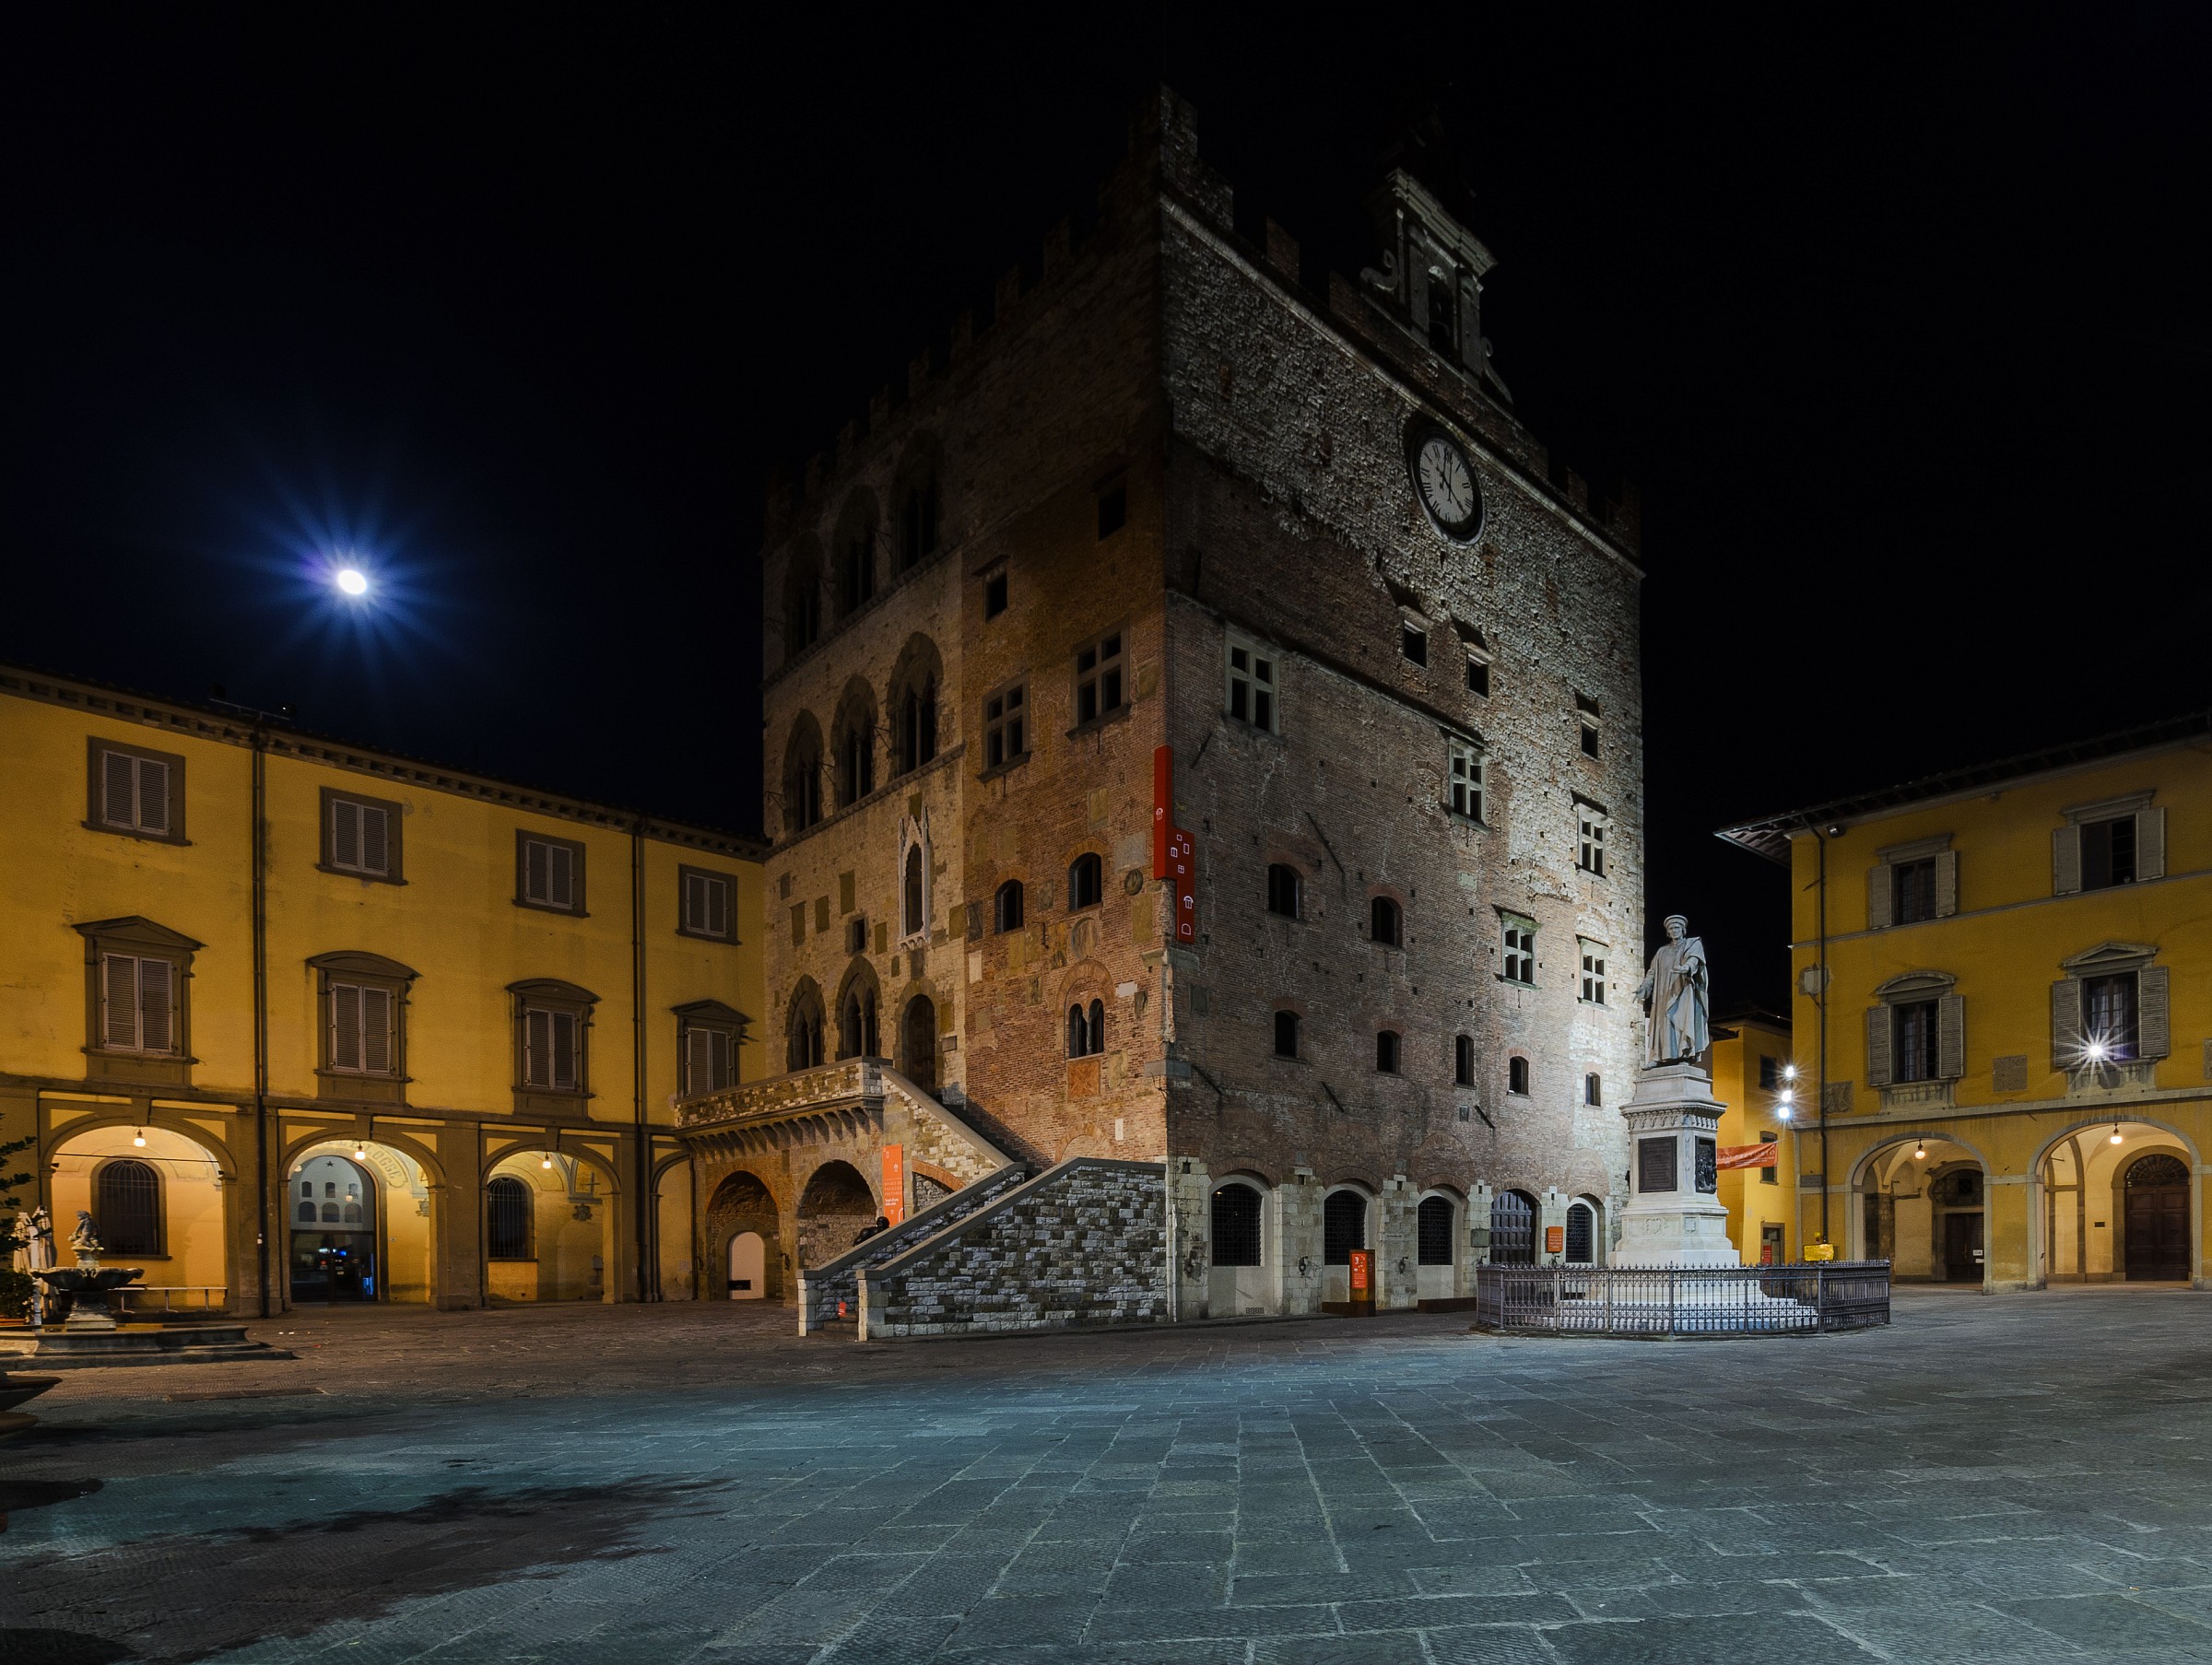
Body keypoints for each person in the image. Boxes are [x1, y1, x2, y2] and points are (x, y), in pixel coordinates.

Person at [1637, 914, 1710, 1067]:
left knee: (1682, 1021)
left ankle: (1683, 1055)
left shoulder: (1692, 944)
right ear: (1668, 932)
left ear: (1683, 930)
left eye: (1677, 928)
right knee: (1663, 1023)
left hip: (1683, 991)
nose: (1674, 931)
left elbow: (1694, 959)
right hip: (1663, 993)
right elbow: (1652, 972)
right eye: (1671, 929)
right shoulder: (1662, 952)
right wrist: (1644, 987)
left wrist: (1686, 968)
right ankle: (1658, 1057)